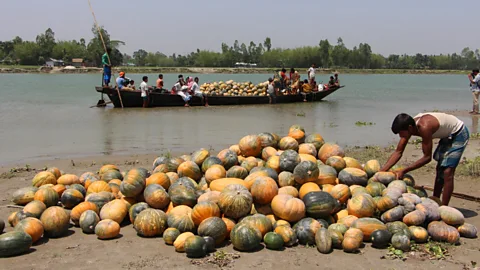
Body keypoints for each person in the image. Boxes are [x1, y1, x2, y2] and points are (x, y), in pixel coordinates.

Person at [380, 112, 469, 206]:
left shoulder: (424, 127)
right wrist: (382, 171)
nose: (400, 136)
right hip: (446, 135)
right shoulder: (409, 126)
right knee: (440, 170)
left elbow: (427, 158)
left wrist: (404, 170)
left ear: (410, 128)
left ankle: (444, 207)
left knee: (447, 171)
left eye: (401, 133)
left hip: (458, 133)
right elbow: (398, 152)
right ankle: (436, 200)